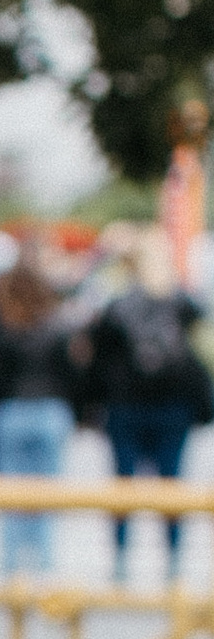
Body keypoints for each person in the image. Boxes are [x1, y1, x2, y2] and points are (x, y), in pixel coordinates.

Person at [87, 226, 210, 578]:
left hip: (126, 406)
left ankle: (121, 560)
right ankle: (172, 561)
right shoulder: (181, 302)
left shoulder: (117, 305)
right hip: (174, 407)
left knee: (123, 485)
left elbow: (97, 360)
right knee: (172, 485)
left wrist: (91, 407)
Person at [0, 248, 78, 578]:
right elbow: (70, 376)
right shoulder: (56, 328)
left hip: (10, 412)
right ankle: (43, 569)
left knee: (11, 497)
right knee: (46, 496)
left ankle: (11, 571)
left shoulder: (0, 330)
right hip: (50, 410)